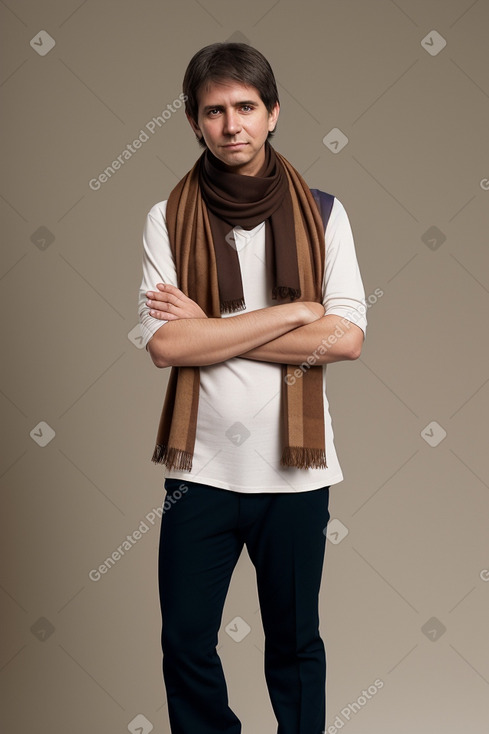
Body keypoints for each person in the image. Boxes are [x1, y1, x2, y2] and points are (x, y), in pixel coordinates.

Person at [138, 42, 367, 734]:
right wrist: (292, 314)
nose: (231, 124)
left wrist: (214, 327)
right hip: (199, 471)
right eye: (214, 111)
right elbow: (166, 345)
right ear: (193, 121)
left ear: (272, 114)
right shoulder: (167, 217)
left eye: (245, 107)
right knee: (184, 642)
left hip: (295, 477)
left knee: (294, 648)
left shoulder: (324, 212)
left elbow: (346, 338)